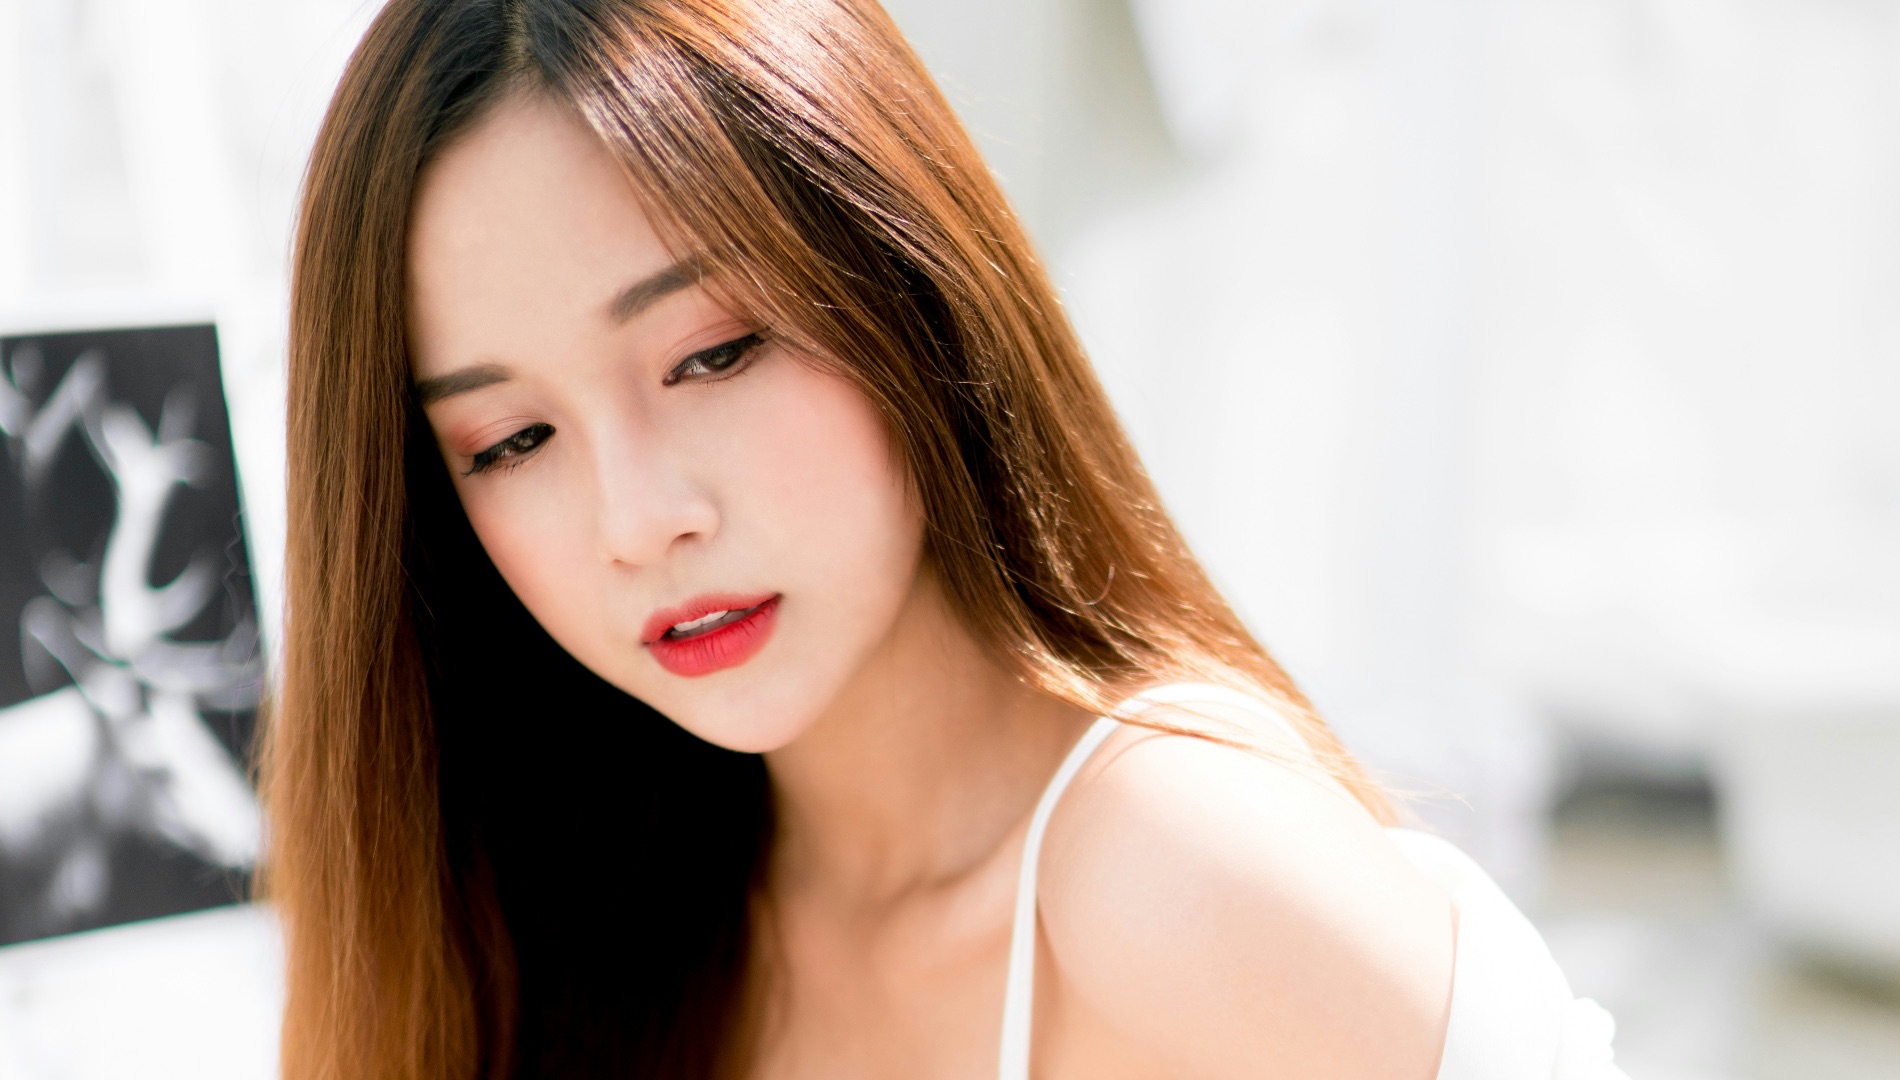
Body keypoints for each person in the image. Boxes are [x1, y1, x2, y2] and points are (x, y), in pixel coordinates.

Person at [265, 1, 1626, 1077]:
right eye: (510, 441)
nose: (639, 521)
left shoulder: (1171, 867)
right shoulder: (587, 913)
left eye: (715, 354)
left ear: (900, 283)